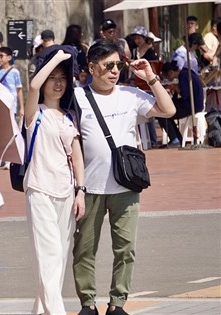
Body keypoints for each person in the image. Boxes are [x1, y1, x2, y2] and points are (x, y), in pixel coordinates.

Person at [72, 40, 175, 315]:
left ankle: (117, 304)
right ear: (92, 68)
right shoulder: (78, 98)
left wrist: (150, 77)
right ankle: (88, 303)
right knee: (84, 250)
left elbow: (168, 111)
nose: (114, 70)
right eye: (108, 66)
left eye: (118, 65)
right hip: (89, 187)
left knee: (125, 249)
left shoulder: (131, 95)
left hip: (126, 186)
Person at [24, 48, 85, 315]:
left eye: (63, 78)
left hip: (66, 192)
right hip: (39, 189)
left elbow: (78, 158)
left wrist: (80, 192)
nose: (58, 83)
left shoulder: (69, 117)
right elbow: (34, 85)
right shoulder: (34, 114)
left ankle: (41, 310)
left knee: (57, 257)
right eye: (54, 77)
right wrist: (59, 58)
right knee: (47, 254)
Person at [157, 61, 204, 147]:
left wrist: (175, 87)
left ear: (171, 72)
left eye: (166, 76)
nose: (167, 78)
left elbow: (185, 94)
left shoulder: (183, 76)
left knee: (163, 113)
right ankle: (177, 138)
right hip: (195, 104)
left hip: (192, 106)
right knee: (168, 111)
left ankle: (175, 139)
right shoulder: (187, 73)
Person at [130, 26, 159, 148]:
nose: (137, 40)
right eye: (135, 38)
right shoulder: (135, 51)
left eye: (139, 38)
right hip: (138, 85)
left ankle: (152, 140)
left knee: (149, 113)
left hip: (148, 86)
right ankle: (144, 139)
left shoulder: (151, 52)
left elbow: (155, 68)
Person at [0, 46, 24, 121]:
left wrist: (22, 108)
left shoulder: (14, 72)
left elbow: (19, 90)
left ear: (9, 57)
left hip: (11, 105)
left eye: (1, 56)